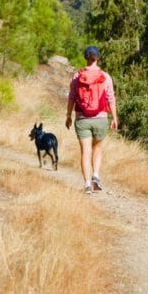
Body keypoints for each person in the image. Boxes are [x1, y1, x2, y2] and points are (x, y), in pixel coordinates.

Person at [65, 45, 118, 194]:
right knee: (98, 148)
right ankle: (96, 176)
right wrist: (114, 117)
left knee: (85, 152)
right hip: (100, 118)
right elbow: (111, 98)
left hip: (82, 119)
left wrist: (68, 115)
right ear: (98, 58)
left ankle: (87, 185)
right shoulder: (105, 77)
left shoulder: (77, 76)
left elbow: (71, 98)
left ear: (85, 58)